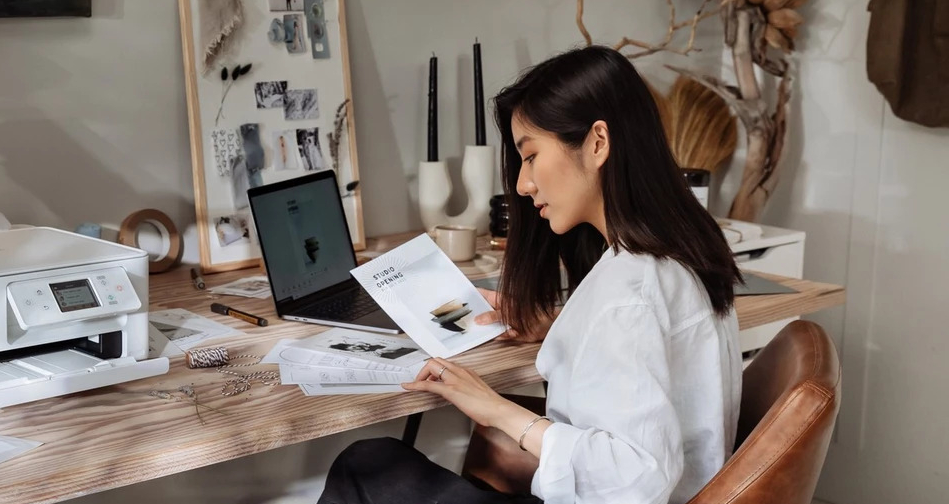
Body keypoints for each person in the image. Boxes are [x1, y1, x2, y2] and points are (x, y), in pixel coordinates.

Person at [317, 45, 743, 504]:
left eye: (531, 155)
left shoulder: (631, 287)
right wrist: (559, 326)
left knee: (366, 465)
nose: (522, 184)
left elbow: (635, 479)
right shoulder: (680, 247)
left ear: (598, 143)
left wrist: (497, 409)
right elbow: (649, 361)